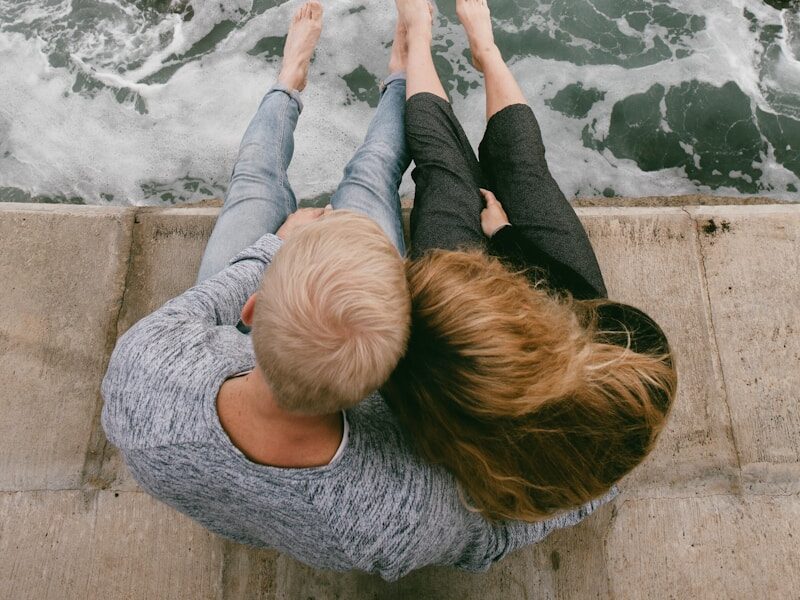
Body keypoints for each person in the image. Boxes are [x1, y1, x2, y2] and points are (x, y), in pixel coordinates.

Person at [101, 1, 614, 582]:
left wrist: (272, 251)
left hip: (247, 341)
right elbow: (494, 534)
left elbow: (197, 310)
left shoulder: (144, 373)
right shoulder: (397, 509)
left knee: (254, 190)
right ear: (389, 376)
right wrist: (598, 482)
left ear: (251, 306)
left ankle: (291, 79)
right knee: (369, 175)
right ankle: (399, 69)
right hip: (307, 352)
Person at [383, 0, 678, 521]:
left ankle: (418, 37)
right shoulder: (630, 374)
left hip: (479, 353)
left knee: (446, 173)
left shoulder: (453, 387)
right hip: (566, 313)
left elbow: (408, 383)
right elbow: (581, 302)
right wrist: (508, 238)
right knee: (524, 168)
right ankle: (487, 51)